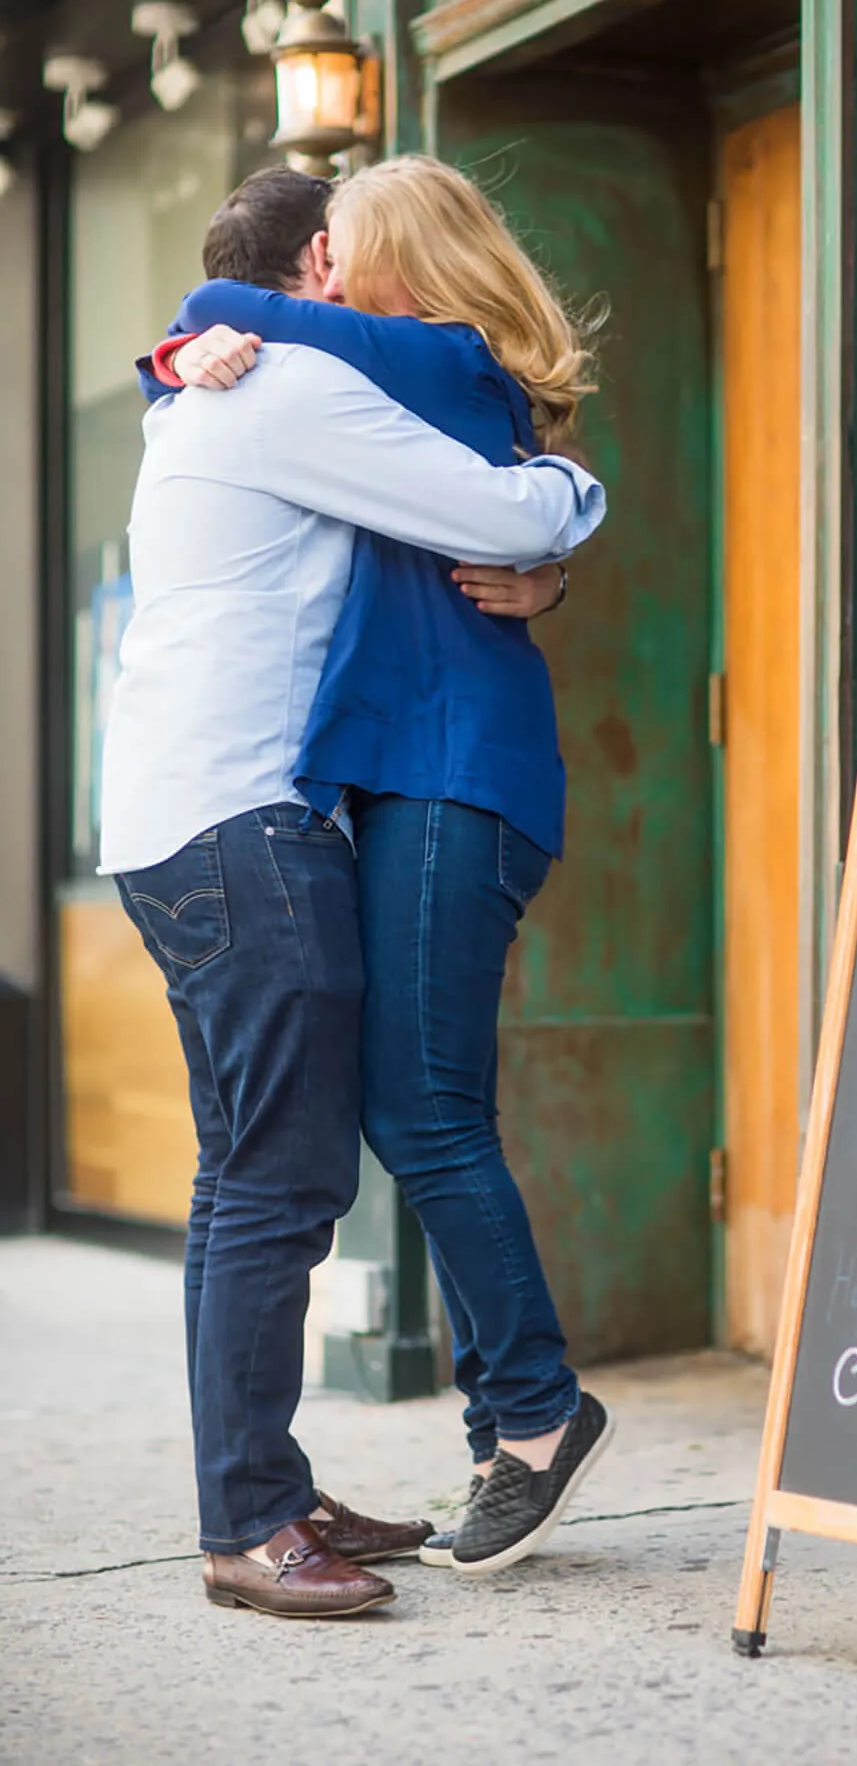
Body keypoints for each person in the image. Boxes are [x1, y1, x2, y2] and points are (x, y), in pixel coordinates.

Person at [104, 164, 606, 1618]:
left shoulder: (230, 388)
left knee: (247, 1176)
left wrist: (180, 344)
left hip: (186, 816)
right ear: (321, 269)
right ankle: (251, 1518)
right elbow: (503, 509)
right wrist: (571, 500)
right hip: (243, 821)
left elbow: (470, 523)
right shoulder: (290, 384)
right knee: (276, 1180)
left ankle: (263, 1488)